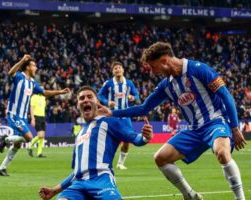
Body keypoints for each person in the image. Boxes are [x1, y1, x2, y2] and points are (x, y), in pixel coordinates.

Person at [98, 42, 247, 200]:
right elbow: (143, 108)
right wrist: (112, 112)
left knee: (222, 152)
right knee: (160, 158)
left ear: (164, 60)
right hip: (194, 129)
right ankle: (190, 196)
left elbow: (226, 96)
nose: (153, 72)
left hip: (215, 121)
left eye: (154, 67)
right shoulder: (165, 85)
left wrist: (235, 128)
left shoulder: (198, 69)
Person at [39, 86, 153, 200]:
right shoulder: (79, 134)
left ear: (97, 102)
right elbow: (77, 172)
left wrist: (145, 137)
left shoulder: (109, 122)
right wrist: (54, 190)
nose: (85, 100)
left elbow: (135, 138)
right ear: (78, 104)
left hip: (102, 181)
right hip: (78, 186)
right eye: (82, 98)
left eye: (89, 97)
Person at [0, 54, 70, 176]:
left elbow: (45, 92)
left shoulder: (33, 83)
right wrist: (22, 60)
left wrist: (60, 92)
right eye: (34, 65)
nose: (36, 68)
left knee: (18, 144)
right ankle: (6, 139)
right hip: (14, 114)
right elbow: (10, 72)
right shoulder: (20, 77)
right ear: (27, 67)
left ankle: (2, 168)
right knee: (30, 138)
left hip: (23, 117)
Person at [98, 61, 140, 170]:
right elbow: (100, 95)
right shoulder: (108, 83)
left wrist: (133, 98)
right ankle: (104, 163)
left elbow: (136, 95)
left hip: (126, 116)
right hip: (112, 115)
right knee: (109, 140)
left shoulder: (129, 83)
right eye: (115, 68)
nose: (118, 69)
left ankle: (120, 163)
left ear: (123, 70)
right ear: (113, 71)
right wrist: (107, 102)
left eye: (119, 68)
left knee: (127, 140)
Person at [28, 93, 47, 158]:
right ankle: (30, 146)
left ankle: (39, 153)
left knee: (42, 136)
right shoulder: (34, 97)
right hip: (37, 117)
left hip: (43, 117)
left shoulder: (43, 97)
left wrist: (44, 119)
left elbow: (43, 108)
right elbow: (31, 109)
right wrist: (32, 119)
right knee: (40, 135)